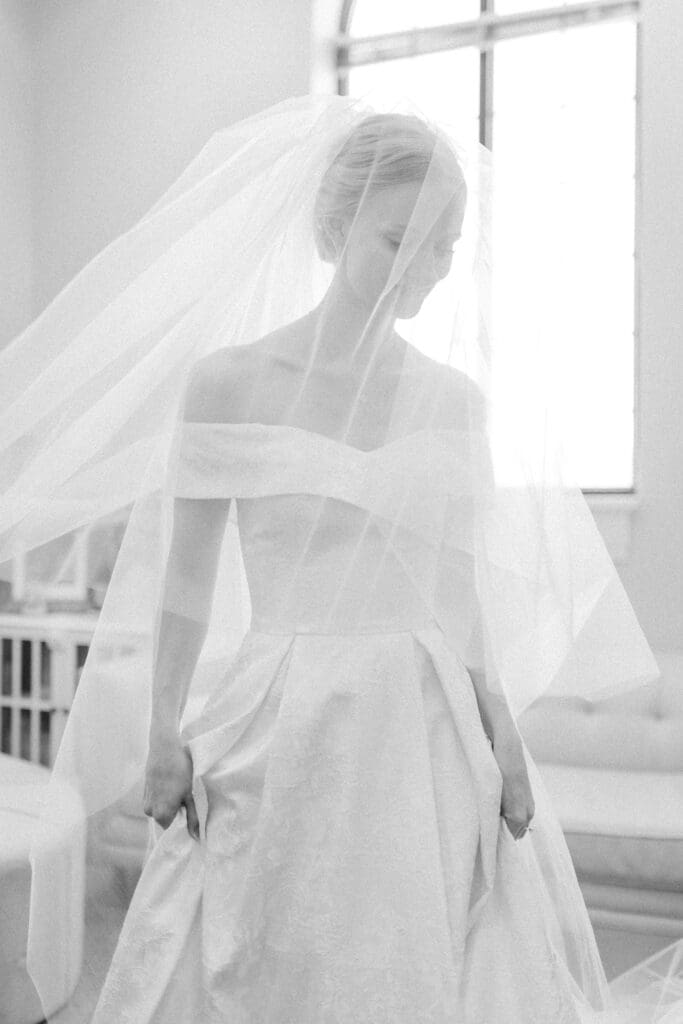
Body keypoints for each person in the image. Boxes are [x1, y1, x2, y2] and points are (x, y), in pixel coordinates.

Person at [1, 94, 680, 1021]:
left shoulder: (453, 401)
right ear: (333, 227)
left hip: (422, 718)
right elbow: (187, 587)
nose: (424, 271)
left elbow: (460, 591)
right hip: (280, 712)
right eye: (398, 241)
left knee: (427, 955)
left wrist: (505, 741)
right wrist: (163, 732)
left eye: (443, 247)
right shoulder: (230, 385)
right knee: (258, 946)